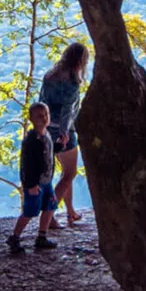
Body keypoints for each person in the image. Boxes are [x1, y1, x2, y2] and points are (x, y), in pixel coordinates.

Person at [38, 42, 89, 228]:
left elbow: (41, 101)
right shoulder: (72, 82)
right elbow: (67, 111)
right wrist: (65, 132)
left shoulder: (50, 75)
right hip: (63, 132)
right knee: (70, 173)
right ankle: (49, 215)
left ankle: (70, 212)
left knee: (62, 173)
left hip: (46, 128)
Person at [6, 102, 58, 254]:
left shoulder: (46, 134)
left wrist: (60, 146)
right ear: (31, 119)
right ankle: (15, 237)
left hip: (46, 180)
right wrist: (31, 185)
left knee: (50, 207)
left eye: (46, 114)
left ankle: (42, 237)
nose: (44, 118)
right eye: (39, 116)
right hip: (35, 183)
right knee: (29, 211)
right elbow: (27, 165)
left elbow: (49, 152)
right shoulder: (31, 140)